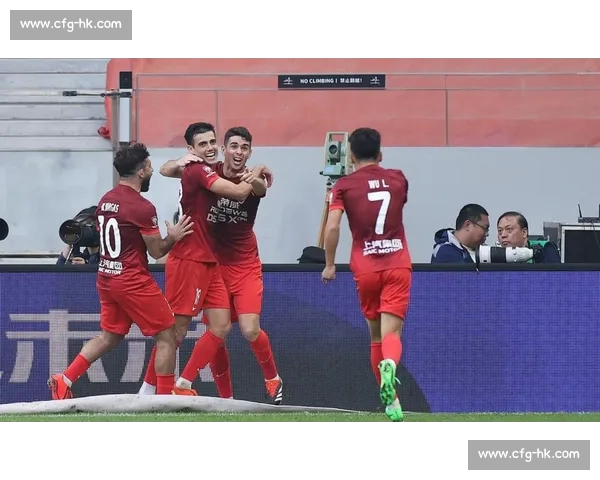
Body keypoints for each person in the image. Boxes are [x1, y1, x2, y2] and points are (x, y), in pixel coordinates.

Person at [48, 142, 194, 399]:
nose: (151, 171)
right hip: (132, 280)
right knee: (167, 336)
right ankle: (163, 399)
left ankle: (65, 379)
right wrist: (173, 236)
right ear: (141, 171)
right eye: (149, 167)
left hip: (107, 277)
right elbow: (157, 251)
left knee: (109, 336)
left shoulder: (106, 200)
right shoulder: (142, 207)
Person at [138, 122, 270, 396]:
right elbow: (239, 192)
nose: (209, 148)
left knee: (220, 327)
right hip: (190, 258)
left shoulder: (206, 168)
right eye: (203, 144)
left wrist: (174, 163)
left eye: (211, 142)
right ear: (192, 149)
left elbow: (166, 169)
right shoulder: (198, 169)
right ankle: (151, 391)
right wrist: (256, 171)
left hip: (210, 262)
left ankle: (184, 384)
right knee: (175, 332)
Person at [321, 127, 411, 422]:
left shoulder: (343, 186)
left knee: (375, 336)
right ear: (380, 154)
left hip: (366, 266)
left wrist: (330, 264)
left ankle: (392, 404)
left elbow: (333, 226)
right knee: (391, 334)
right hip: (397, 262)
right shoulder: (398, 179)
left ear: (350, 155)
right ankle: (390, 365)